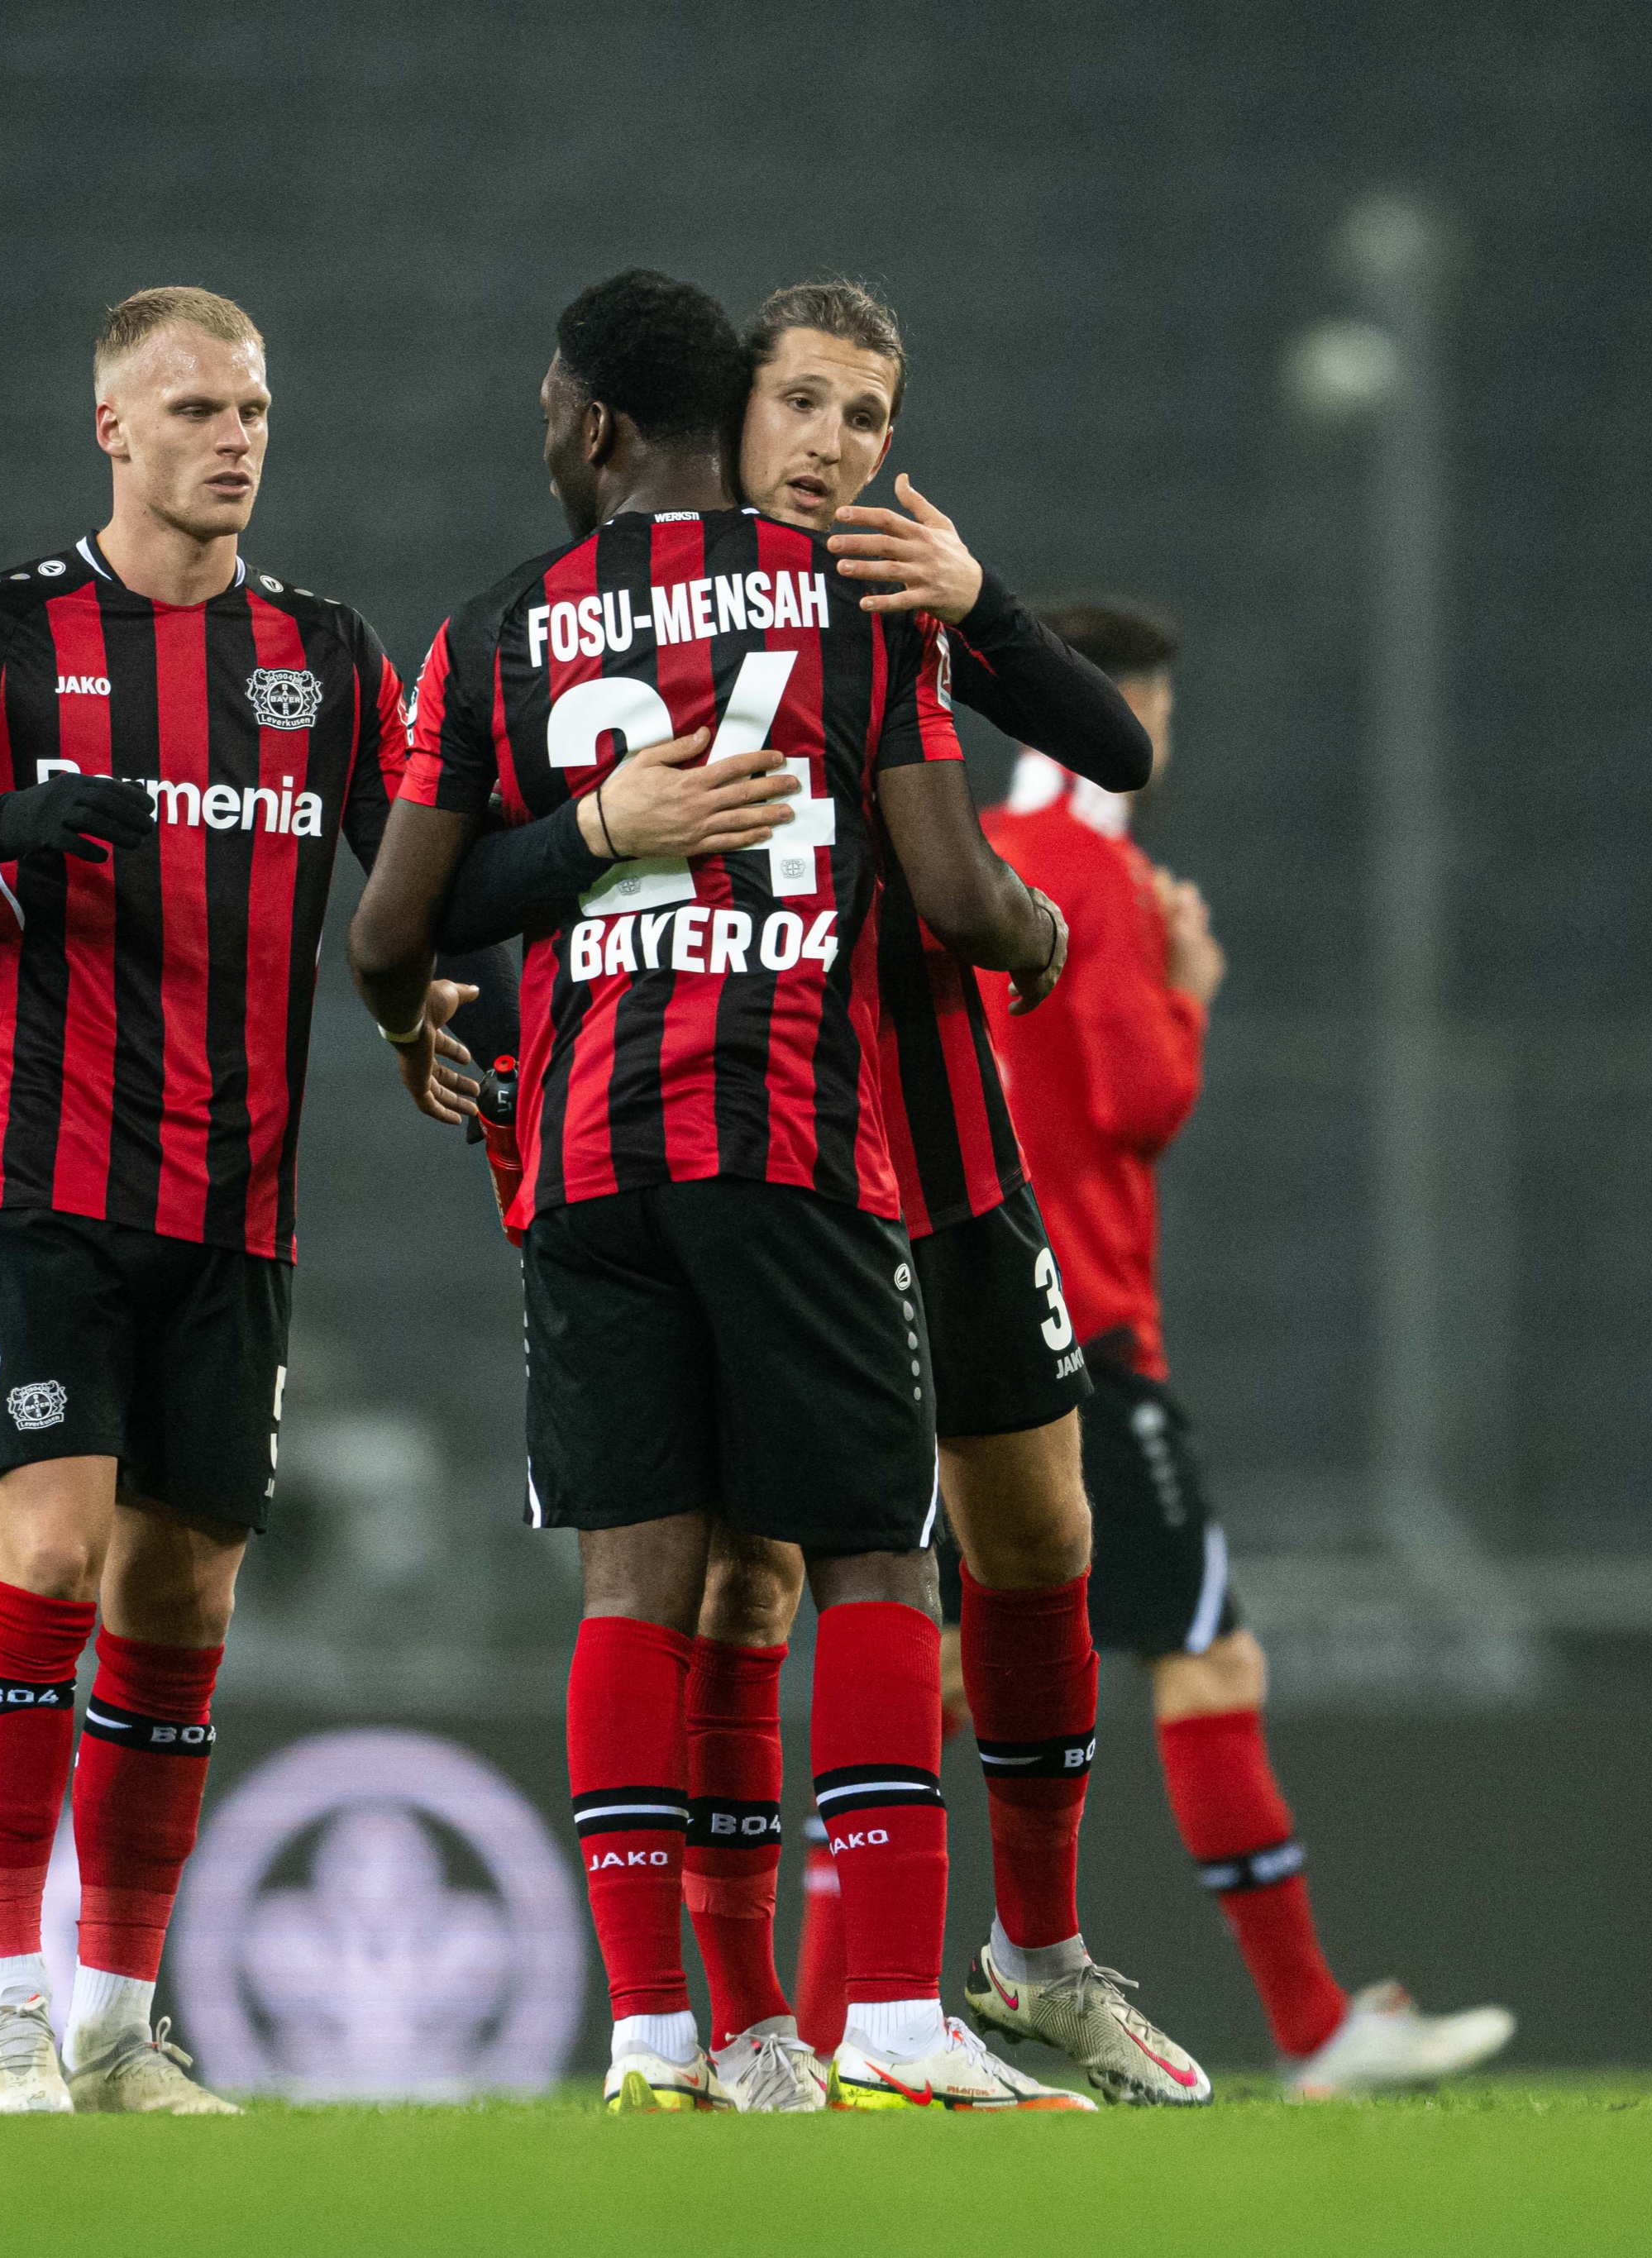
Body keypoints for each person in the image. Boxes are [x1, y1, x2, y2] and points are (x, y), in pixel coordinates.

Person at [351, 270, 1086, 2113]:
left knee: (633, 1580)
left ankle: (656, 2036)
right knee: (863, 1554)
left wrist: (427, 1007)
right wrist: (1035, 933)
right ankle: (901, 2025)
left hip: (582, 1156)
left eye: (544, 401)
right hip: (784, 1129)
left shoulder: (492, 633)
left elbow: (386, 930)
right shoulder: (842, 613)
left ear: (594, 425)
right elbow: (941, 886)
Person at [0, 285, 490, 2115]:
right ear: (109, 426)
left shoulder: (327, 658)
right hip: (39, 1187)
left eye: (253, 407)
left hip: (238, 1209)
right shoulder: (0, 640)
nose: (235, 438)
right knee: (45, 1559)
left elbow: (406, 885)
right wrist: (1, 827)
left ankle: (114, 2023)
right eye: (194, 408)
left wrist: (424, 1003)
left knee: (181, 1605)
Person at [642, 279, 1212, 2107]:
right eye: (799, 403)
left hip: (944, 1127)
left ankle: (1033, 1957)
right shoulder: (646, 604)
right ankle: (745, 2025)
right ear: (734, 418)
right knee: (759, 1581)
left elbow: (1112, 753)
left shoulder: (895, 601)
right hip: (771, 1134)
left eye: (865, 414)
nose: (829, 444)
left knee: (1037, 1531)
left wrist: (985, 605)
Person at [967, 598, 1516, 2097]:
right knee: (1208, 1657)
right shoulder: (1106, 873)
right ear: (1124, 705)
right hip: (1089, 1329)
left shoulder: (964, 859)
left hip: (943, 1317)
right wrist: (1190, 994)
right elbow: (1142, 1101)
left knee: (941, 1676)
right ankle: (1312, 2024)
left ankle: (829, 2019)